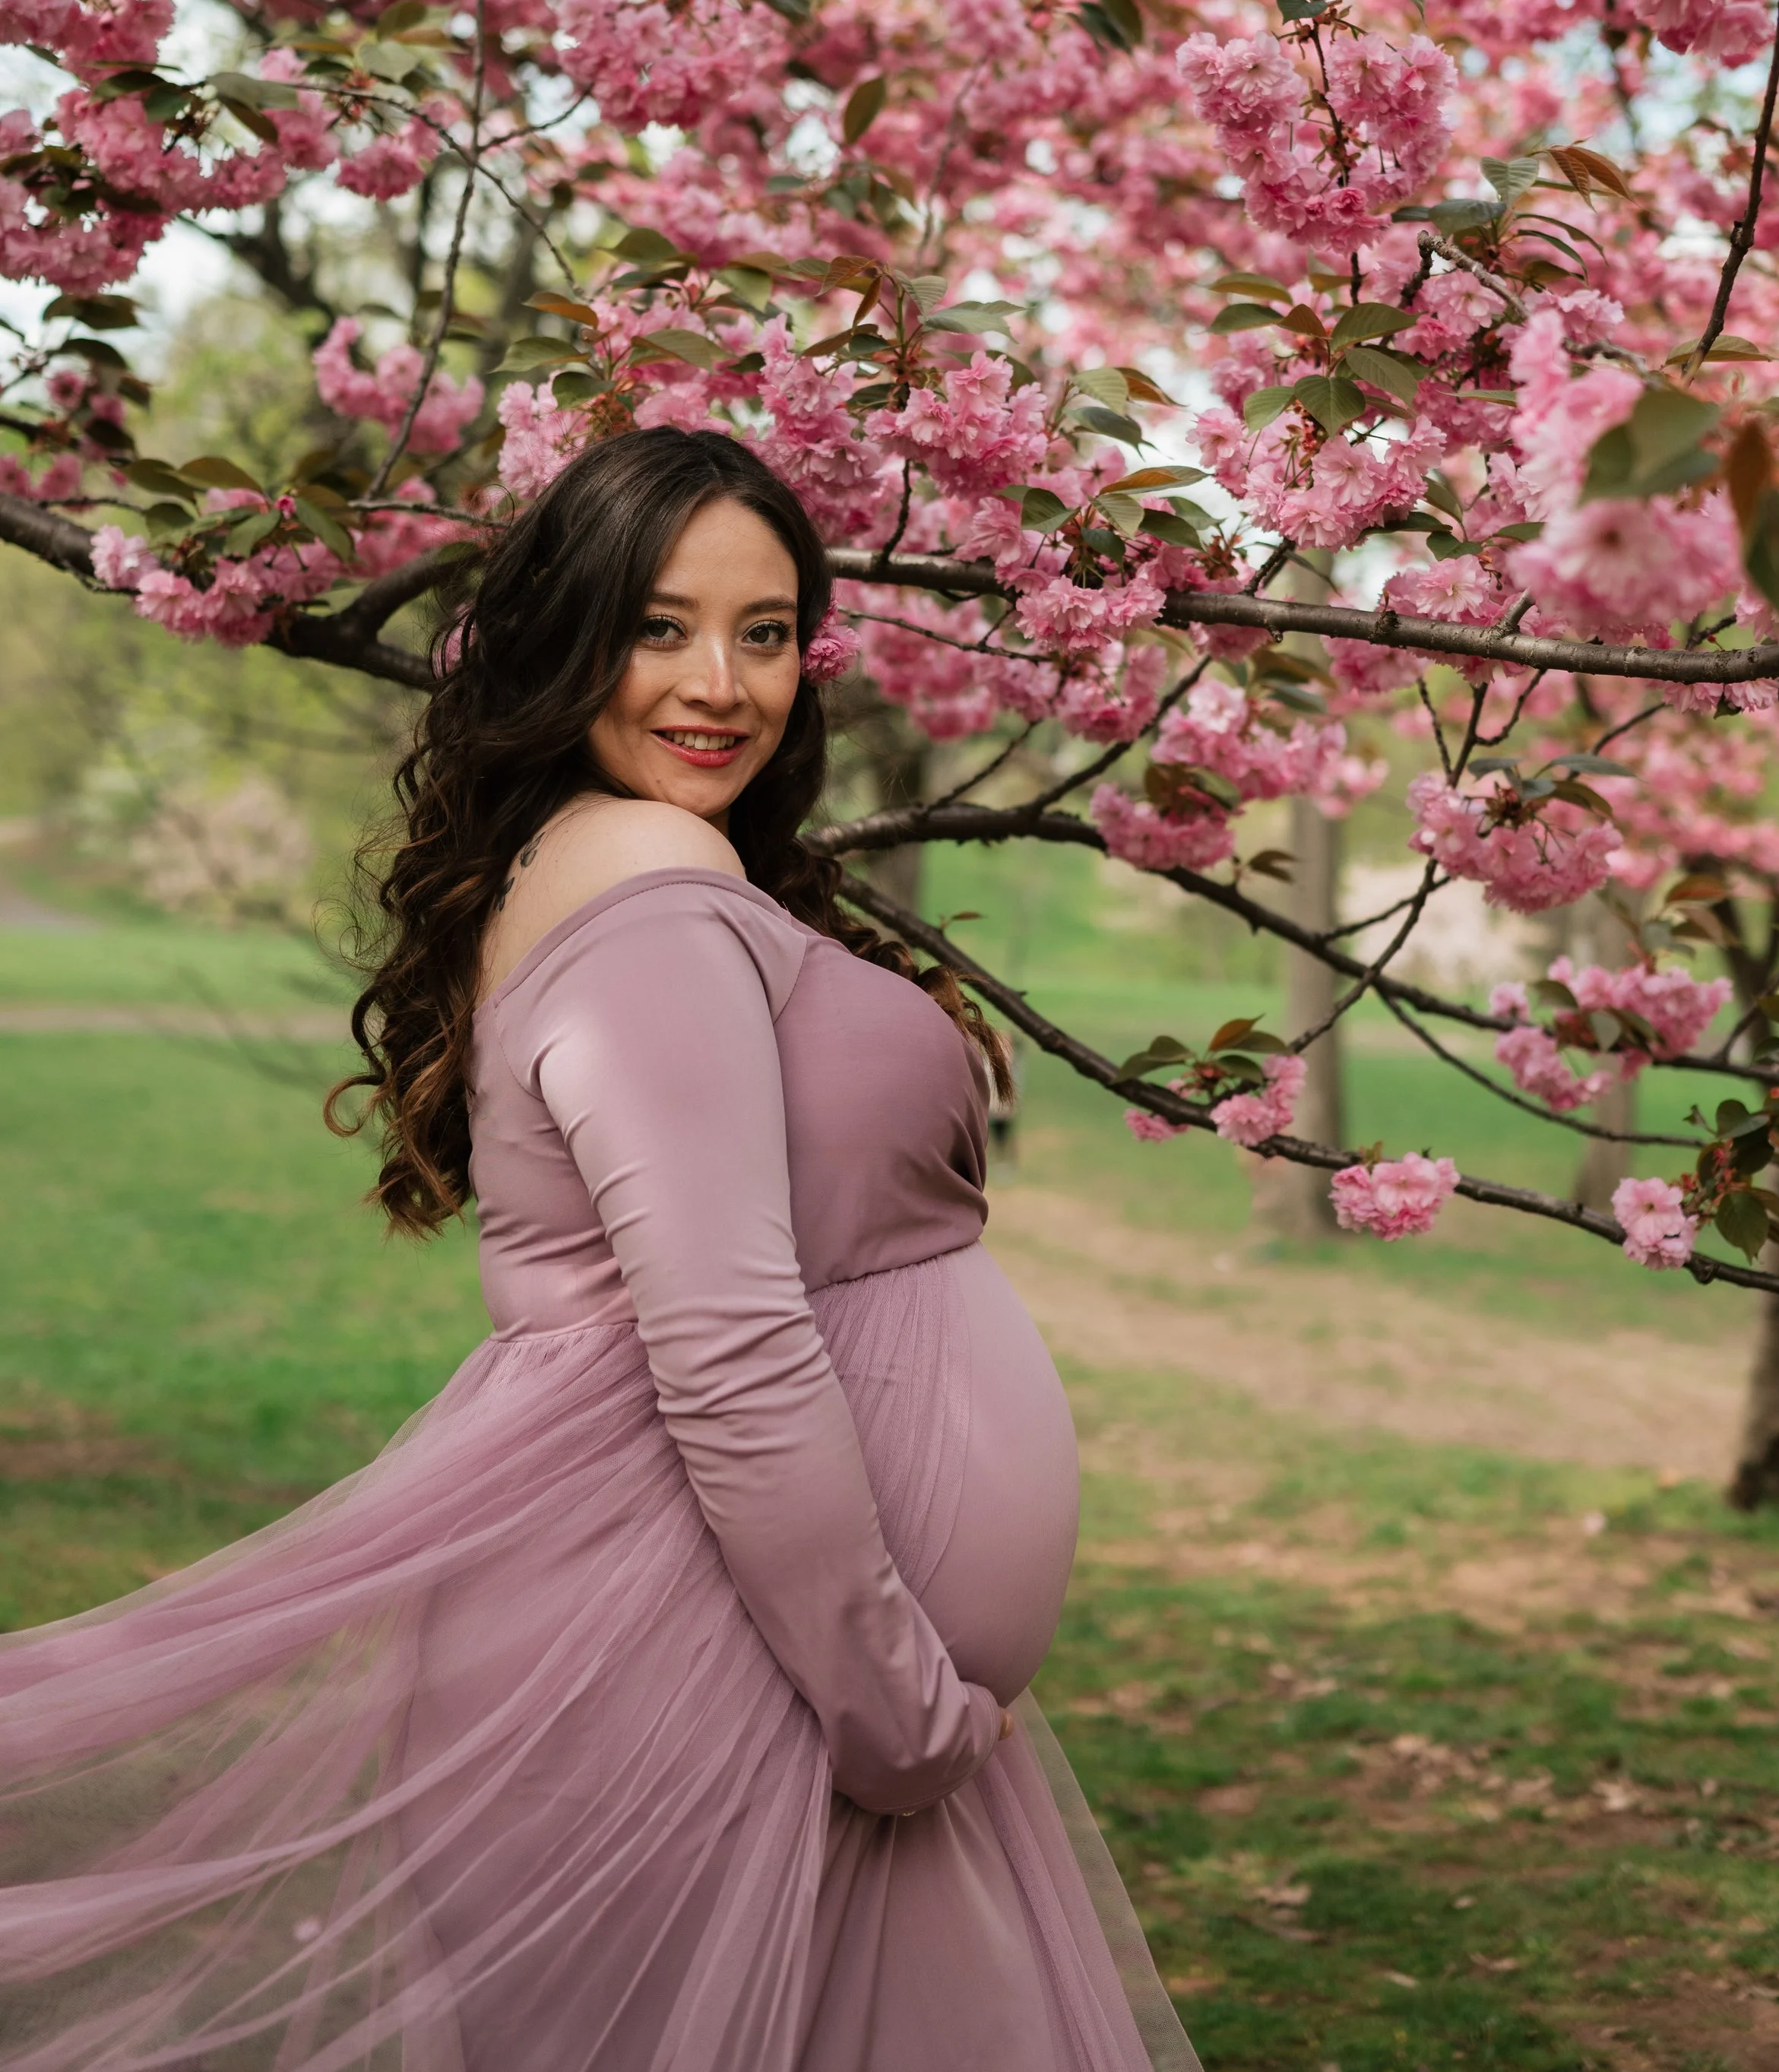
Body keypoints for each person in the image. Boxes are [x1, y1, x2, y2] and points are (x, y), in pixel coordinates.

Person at [0, 425, 1199, 2071]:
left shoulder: (626, 861)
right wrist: (896, 1708)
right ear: (569, 636)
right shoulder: (644, 869)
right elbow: (723, 1339)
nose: (721, 683)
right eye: (657, 625)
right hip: (726, 1677)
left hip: (732, 1672)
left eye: (764, 631)